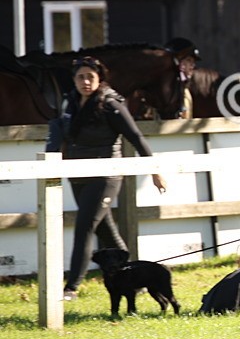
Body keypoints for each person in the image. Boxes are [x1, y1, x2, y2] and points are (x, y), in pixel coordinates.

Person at [46, 56, 167, 301]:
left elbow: (136, 136)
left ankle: (72, 287)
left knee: (84, 227)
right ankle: (137, 278)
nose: (85, 81)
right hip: (77, 174)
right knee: (107, 231)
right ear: (74, 80)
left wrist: (155, 171)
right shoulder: (70, 103)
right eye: (80, 77)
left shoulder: (110, 103)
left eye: (90, 76)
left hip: (105, 175)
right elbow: (60, 135)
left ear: (100, 78)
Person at [163, 37, 200, 119]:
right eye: (189, 60)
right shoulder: (163, 90)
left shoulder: (185, 90)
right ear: (176, 61)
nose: (193, 66)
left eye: (193, 62)